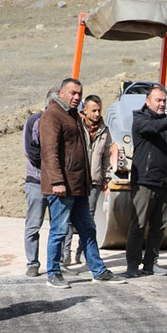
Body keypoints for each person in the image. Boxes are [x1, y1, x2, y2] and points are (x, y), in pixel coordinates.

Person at [40, 78, 125, 288]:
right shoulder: (52, 115)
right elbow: (50, 152)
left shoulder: (73, 116)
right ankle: (53, 272)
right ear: (61, 93)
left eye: (79, 93)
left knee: (88, 228)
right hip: (61, 186)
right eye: (72, 93)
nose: (76, 97)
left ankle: (98, 270)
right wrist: (57, 181)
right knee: (59, 230)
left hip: (78, 186)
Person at [126, 85, 167, 278]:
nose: (161, 104)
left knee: (159, 226)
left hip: (163, 183)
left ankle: (150, 263)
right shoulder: (140, 119)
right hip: (144, 181)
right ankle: (133, 265)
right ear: (147, 101)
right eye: (158, 100)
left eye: (164, 101)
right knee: (139, 225)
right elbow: (152, 128)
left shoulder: (164, 123)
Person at [23, 88, 66, 277]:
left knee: (61, 225)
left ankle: (59, 263)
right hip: (37, 181)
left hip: (58, 182)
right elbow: (31, 153)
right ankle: (32, 263)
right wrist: (53, 164)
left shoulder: (65, 122)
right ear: (50, 104)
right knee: (33, 225)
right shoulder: (34, 121)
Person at [65, 95, 112, 265]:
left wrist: (106, 176)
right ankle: (66, 254)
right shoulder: (77, 126)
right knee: (69, 218)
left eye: (99, 110)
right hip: (76, 180)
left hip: (94, 181)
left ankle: (83, 252)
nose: (98, 113)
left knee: (88, 219)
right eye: (94, 110)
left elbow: (106, 155)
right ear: (85, 110)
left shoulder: (104, 130)